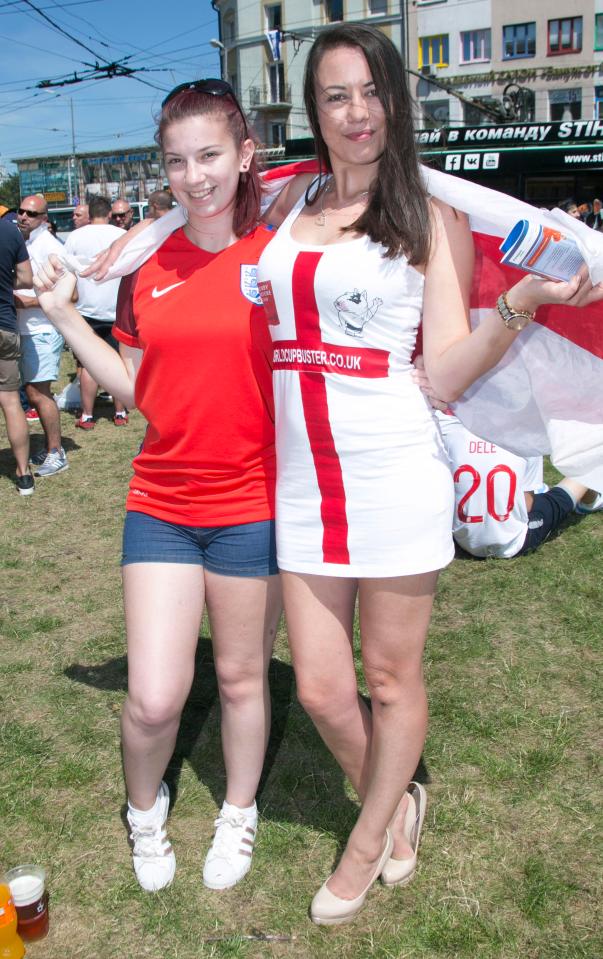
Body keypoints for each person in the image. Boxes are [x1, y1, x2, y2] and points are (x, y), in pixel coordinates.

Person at [254, 24, 603, 926]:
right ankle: (395, 793)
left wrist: (518, 304)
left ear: (396, 103)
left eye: (371, 92)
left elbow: (443, 370)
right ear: (313, 112)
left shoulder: (430, 214)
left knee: (388, 676)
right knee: (323, 688)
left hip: (392, 462)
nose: (356, 112)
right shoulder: (289, 207)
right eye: (335, 95)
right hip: (301, 477)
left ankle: (371, 835)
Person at [33, 80, 281, 895]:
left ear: (244, 155)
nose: (193, 175)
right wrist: (70, 321)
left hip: (253, 502)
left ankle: (237, 810)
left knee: (243, 678)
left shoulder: (280, 255)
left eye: (209, 154)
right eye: (176, 160)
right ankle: (145, 811)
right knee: (151, 698)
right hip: (163, 504)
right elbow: (139, 388)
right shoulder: (148, 266)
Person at [435, 409, 602, 557]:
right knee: (573, 480)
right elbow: (528, 505)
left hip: (463, 539)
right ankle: (590, 503)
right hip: (516, 541)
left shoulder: (450, 431)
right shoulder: (527, 437)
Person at [14, 195, 68, 477]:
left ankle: (56, 452)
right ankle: (51, 446)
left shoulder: (49, 247)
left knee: (38, 393)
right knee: (32, 392)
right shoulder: (25, 243)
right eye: (21, 211)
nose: (23, 217)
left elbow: (70, 293)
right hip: (25, 329)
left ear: (44, 219)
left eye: (31, 214)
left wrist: (27, 302)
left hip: (42, 330)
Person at [64, 195, 128, 428]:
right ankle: (120, 413)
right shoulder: (121, 236)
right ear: (109, 214)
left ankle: (87, 415)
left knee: (89, 364)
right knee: (119, 363)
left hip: (86, 308)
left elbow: (66, 269)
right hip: (115, 308)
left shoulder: (75, 236)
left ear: (90, 214)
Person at [0, 216, 34, 494]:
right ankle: (24, 474)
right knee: (11, 401)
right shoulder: (11, 233)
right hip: (4, 325)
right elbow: (25, 278)